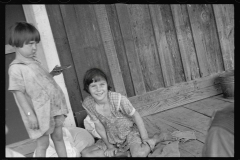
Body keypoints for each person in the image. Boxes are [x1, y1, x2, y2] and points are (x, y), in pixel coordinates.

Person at [8, 22, 69, 157]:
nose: (34, 47)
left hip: (54, 108)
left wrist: (52, 74)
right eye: (30, 44)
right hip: (40, 113)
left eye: (36, 43)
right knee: (43, 144)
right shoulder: (16, 68)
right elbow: (19, 94)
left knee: (58, 138)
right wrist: (31, 116)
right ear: (16, 44)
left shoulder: (35, 61)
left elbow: (40, 82)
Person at [81, 68, 173, 157]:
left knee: (139, 154)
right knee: (86, 154)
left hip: (129, 133)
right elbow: (99, 126)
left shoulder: (118, 100)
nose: (98, 89)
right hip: (112, 137)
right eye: (93, 86)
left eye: (102, 84)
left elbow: (135, 115)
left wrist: (145, 138)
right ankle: (124, 154)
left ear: (106, 85)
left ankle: (155, 139)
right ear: (87, 88)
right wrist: (109, 146)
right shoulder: (88, 104)